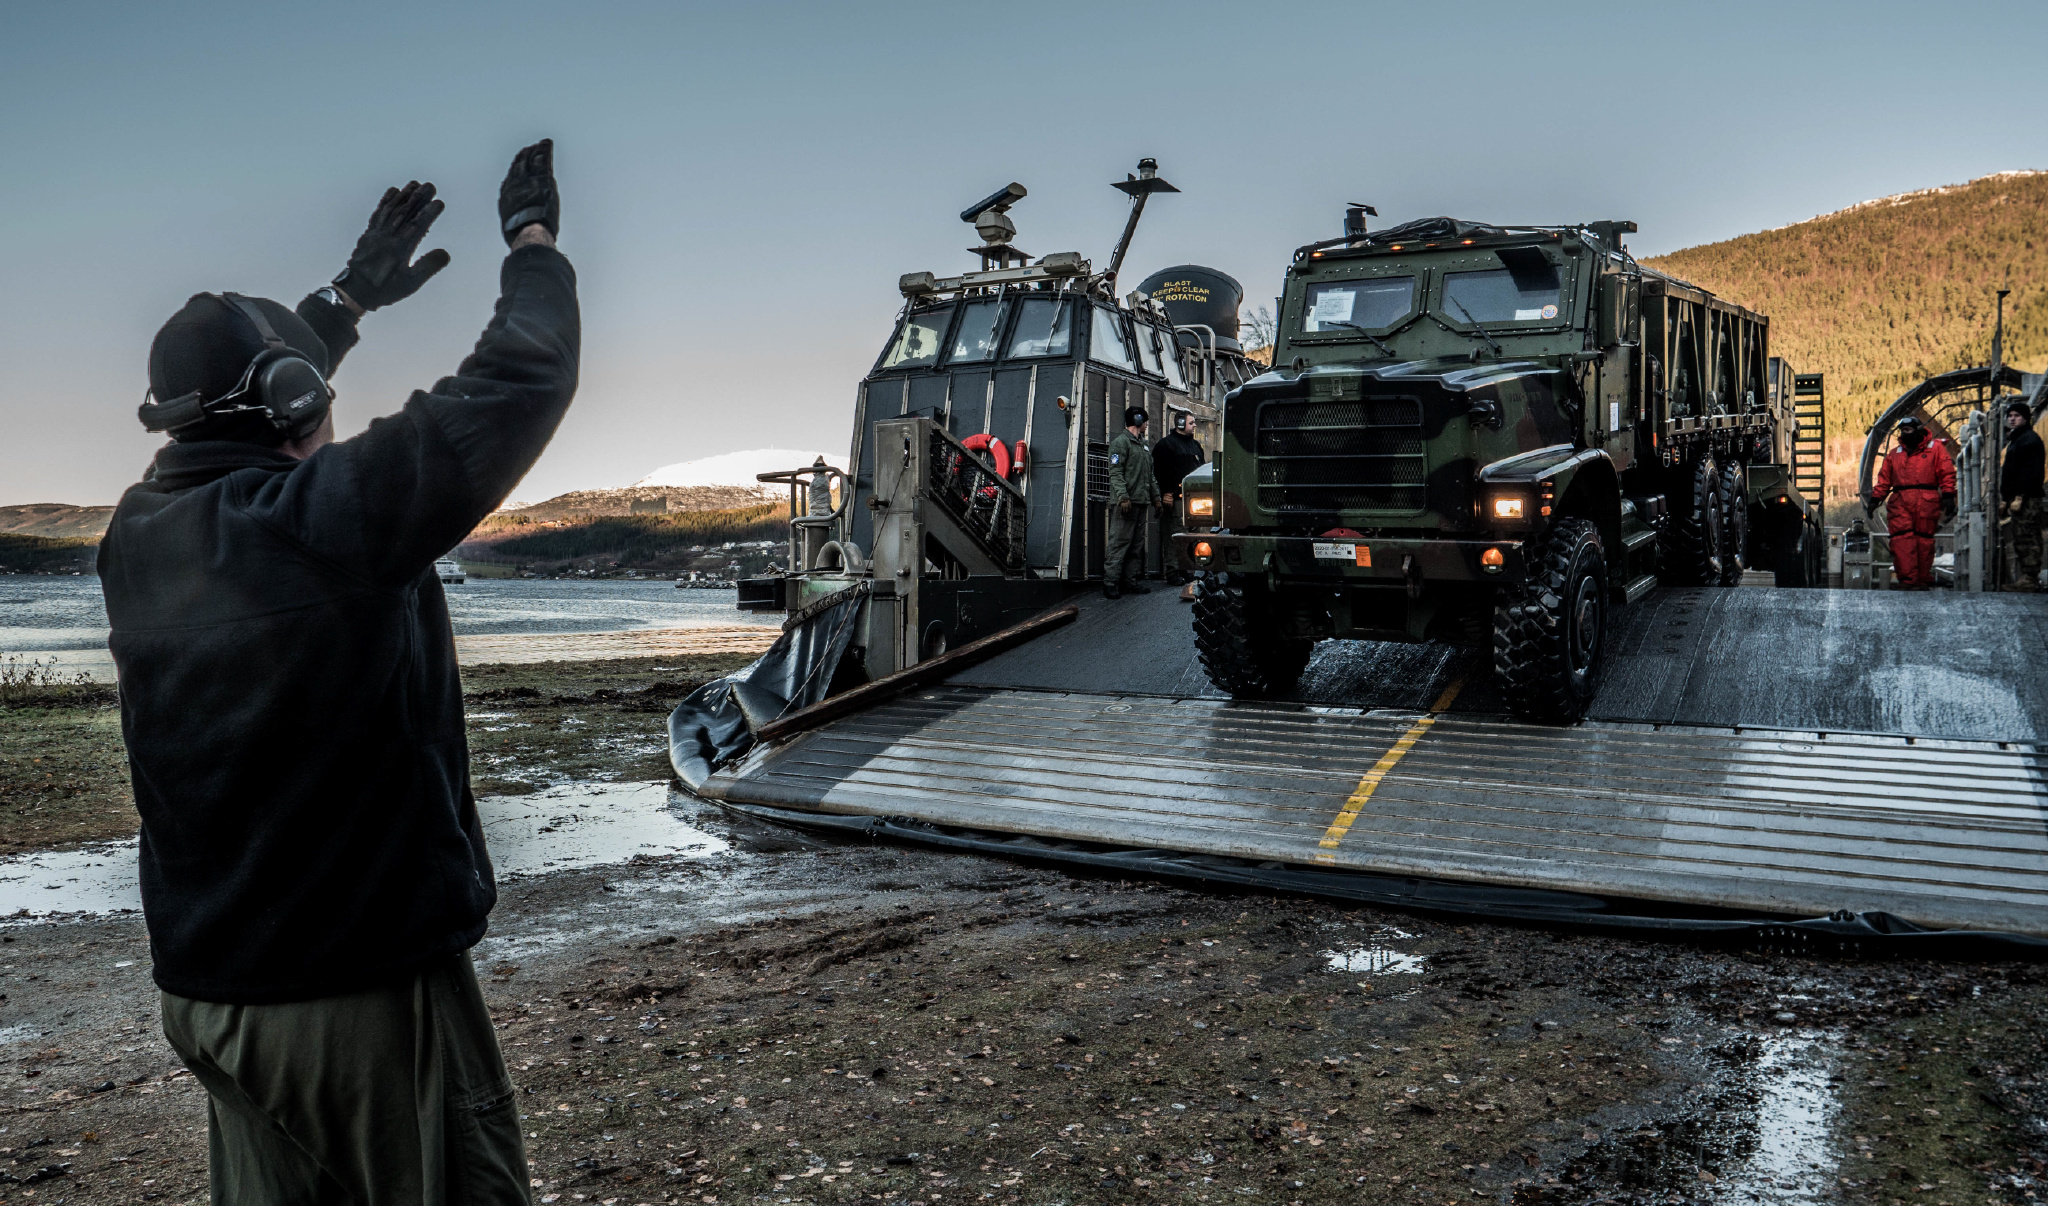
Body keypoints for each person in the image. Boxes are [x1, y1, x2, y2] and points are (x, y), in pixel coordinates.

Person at [98, 140, 576, 1204]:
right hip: (352, 998)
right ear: (289, 392)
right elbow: (522, 377)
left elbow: (248, 412)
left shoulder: (142, 530)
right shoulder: (323, 528)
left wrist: (346, 300)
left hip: (217, 998)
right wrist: (533, 244)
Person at [1867, 414, 1956, 590]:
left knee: (1924, 541)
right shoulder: (1895, 455)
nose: (1904, 434)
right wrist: (1875, 499)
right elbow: (1884, 480)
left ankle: (1921, 579)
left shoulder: (1936, 449)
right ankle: (1908, 580)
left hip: (1927, 501)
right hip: (1901, 501)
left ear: (1918, 430)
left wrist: (1948, 494)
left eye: (1907, 430)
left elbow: (1946, 473)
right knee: (1901, 540)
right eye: (1902, 431)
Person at [1104, 405, 1161, 598]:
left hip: (1140, 501)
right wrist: (1123, 497)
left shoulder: (1143, 446)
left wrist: (1156, 498)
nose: (1146, 424)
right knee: (1119, 543)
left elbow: (1150, 475)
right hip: (1126, 504)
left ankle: (1129, 581)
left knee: (1136, 545)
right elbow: (1115, 472)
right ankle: (1110, 582)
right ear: (1136, 421)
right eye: (1144, 420)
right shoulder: (1121, 443)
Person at [1151, 411, 1205, 586]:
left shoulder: (1196, 446)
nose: (1194, 425)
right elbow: (1159, 472)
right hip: (1176, 500)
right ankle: (1172, 571)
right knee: (1174, 535)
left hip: (1195, 501)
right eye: (1191, 423)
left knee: (1192, 535)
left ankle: (1187, 569)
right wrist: (1166, 493)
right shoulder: (1166, 446)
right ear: (1180, 424)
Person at [2002, 399, 2045, 591]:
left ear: (2025, 418)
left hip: (2026, 497)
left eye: (2016, 416)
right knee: (2021, 536)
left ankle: (2030, 577)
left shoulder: (2029, 440)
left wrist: (2019, 495)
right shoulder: (2018, 439)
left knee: (2028, 536)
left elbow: (2032, 472)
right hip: (2019, 497)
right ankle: (2027, 577)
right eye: (2010, 416)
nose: (2012, 419)